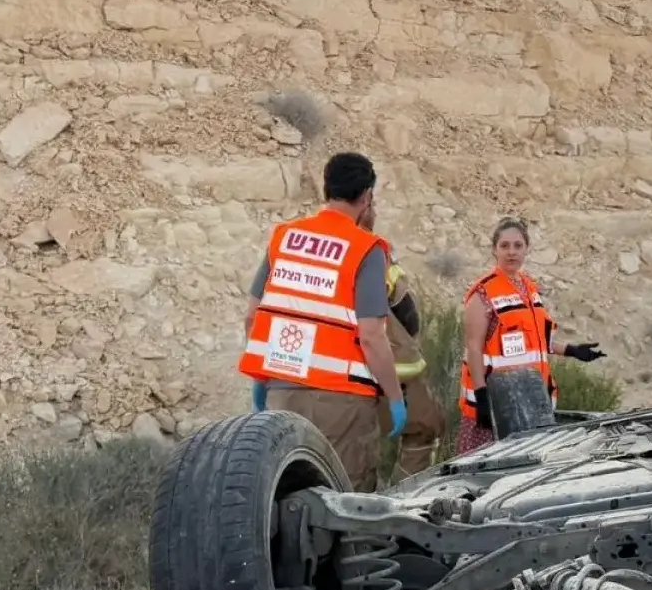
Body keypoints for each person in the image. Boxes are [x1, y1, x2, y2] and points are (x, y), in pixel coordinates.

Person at [240, 151, 405, 492]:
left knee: (283, 498)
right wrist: (395, 398)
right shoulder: (366, 248)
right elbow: (372, 335)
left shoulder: (285, 237)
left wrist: (263, 377)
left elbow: (253, 314)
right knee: (348, 503)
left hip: (282, 393)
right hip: (342, 402)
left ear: (325, 190)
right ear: (367, 197)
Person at [457, 218, 605, 455]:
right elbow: (473, 348)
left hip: (531, 401)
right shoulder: (483, 292)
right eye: (504, 246)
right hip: (496, 404)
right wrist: (482, 395)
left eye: (517, 245)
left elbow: (537, 342)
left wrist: (573, 350)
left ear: (526, 248)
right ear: (494, 250)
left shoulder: (529, 289)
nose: (511, 252)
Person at [378, 245, 446, 481]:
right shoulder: (377, 253)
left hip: (318, 374)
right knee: (424, 426)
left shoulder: (301, 248)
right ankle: (401, 502)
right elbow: (409, 317)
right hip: (390, 373)